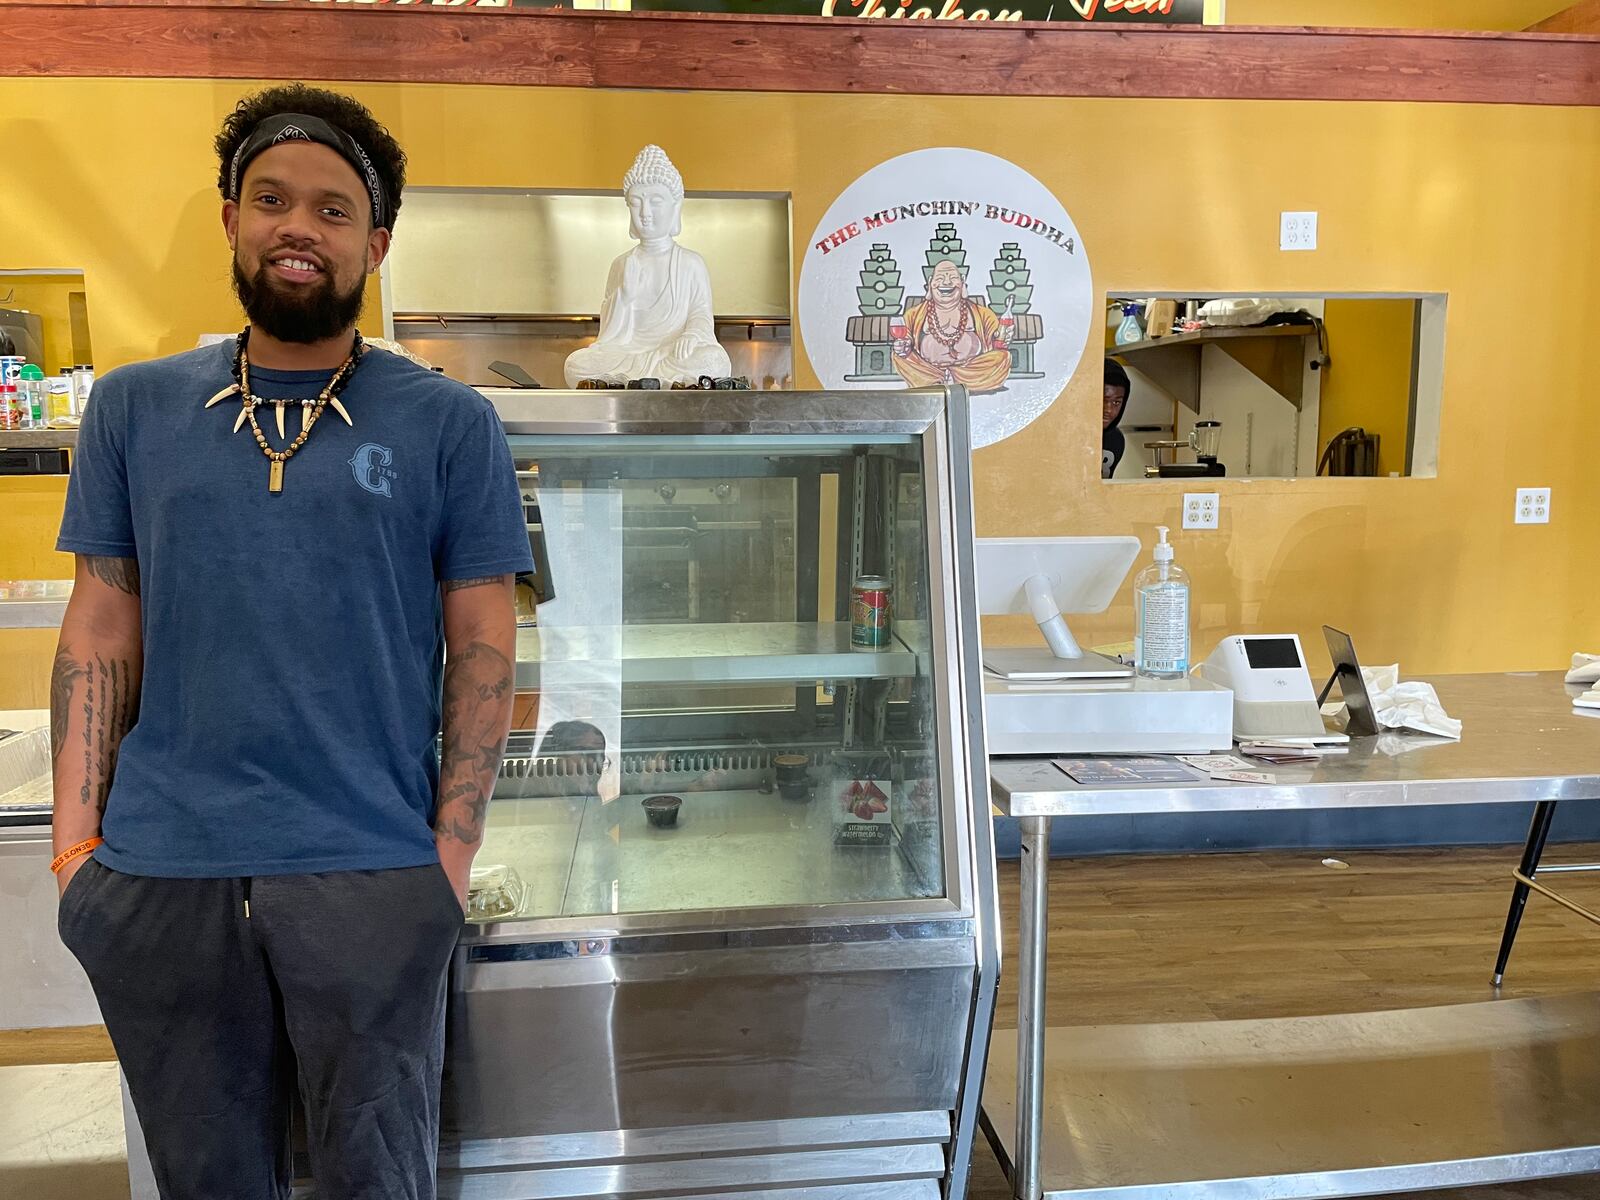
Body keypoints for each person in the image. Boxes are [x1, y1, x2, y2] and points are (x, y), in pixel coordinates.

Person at [50, 84, 533, 1200]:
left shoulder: (449, 423)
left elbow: (482, 638)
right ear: (230, 216)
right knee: (207, 1180)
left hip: (372, 870)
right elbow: (103, 616)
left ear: (375, 240)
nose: (296, 228)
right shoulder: (132, 408)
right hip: (162, 873)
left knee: (378, 1177)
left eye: (329, 209)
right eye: (271, 199)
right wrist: (77, 855)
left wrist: (443, 866)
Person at [562, 144, 731, 386]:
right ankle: (656, 380)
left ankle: (635, 381)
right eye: (636, 202)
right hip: (627, 356)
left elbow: (700, 313)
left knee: (715, 360)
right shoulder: (621, 264)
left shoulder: (690, 262)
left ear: (675, 206)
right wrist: (625, 296)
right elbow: (608, 338)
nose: (645, 212)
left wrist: (692, 335)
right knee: (576, 364)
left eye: (655, 201)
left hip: (672, 356)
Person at [891, 257, 1013, 393]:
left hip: (970, 371)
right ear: (930, 283)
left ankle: (954, 379)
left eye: (953, 277)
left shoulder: (982, 314)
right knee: (899, 356)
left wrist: (1002, 337)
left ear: (963, 282)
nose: (947, 282)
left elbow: (995, 343)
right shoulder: (914, 315)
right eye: (940, 277)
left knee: (1003, 357)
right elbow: (904, 341)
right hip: (929, 371)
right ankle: (938, 380)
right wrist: (903, 347)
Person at [1102, 359, 1131, 479]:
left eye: (1116, 402)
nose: (1108, 409)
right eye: (1103, 399)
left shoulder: (1116, 440)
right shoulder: (1068, 436)